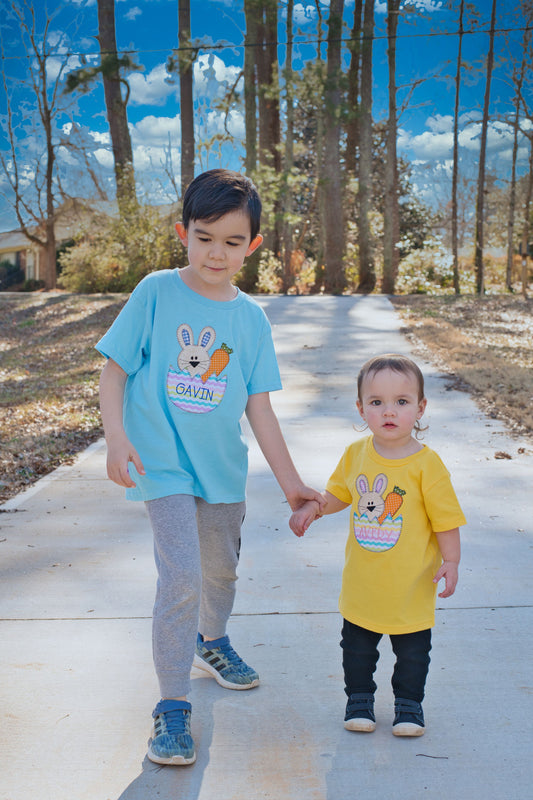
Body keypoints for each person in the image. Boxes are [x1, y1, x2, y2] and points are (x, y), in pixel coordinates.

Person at [96, 168, 323, 766]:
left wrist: (292, 485)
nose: (215, 253)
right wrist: (116, 439)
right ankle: (172, 706)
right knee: (181, 578)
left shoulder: (251, 320)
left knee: (219, 573)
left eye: (231, 241)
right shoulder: (155, 292)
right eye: (204, 238)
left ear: (252, 245)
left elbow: (259, 408)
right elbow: (114, 371)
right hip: (162, 466)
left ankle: (211, 640)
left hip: (221, 470)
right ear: (183, 234)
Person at [290, 354, 466, 737]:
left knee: (413, 653)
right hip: (363, 585)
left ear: (420, 408)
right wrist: (314, 508)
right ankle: (359, 701)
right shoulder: (356, 454)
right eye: (376, 402)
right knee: (356, 649)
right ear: (361, 408)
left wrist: (451, 560)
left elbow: (446, 520)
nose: (389, 411)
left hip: (412, 587)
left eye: (401, 401)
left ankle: (409, 705)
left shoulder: (427, 465)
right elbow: (339, 494)